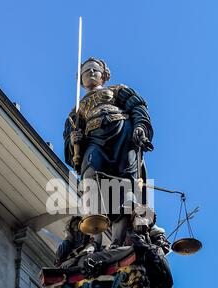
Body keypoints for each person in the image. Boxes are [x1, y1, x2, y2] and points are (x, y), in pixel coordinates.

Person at [64, 57, 154, 247]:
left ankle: (116, 241)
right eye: (86, 71)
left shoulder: (116, 91)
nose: (91, 73)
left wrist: (140, 127)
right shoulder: (76, 111)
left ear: (104, 75)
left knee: (124, 189)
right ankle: (94, 240)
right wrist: (74, 143)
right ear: (80, 79)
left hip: (122, 137)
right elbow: (71, 146)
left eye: (95, 70)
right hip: (94, 142)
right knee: (90, 179)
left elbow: (137, 106)